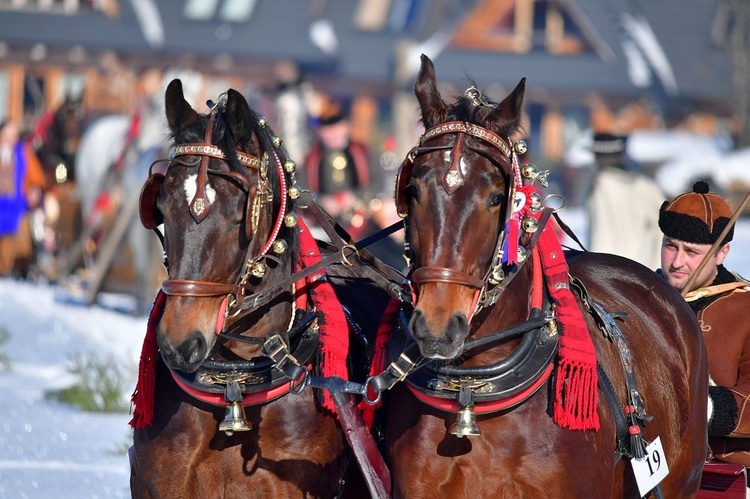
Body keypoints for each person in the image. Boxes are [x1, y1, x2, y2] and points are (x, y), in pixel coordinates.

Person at [658, 181, 750, 468]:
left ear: (722, 253)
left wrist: (704, 406)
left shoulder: (745, 307)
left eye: (692, 252)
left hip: (723, 466)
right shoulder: (639, 296)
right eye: (671, 247)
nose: (677, 262)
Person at [587, 132, 665, 269]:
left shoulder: (601, 185)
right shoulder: (648, 186)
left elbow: (599, 236)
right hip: (640, 271)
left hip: (605, 270)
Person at [0, 119, 46, 277]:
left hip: (18, 204)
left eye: (15, 134)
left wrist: (34, 190)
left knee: (21, 235)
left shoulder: (24, 153)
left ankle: (16, 266)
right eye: (9, 133)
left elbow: (37, 178)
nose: (13, 138)